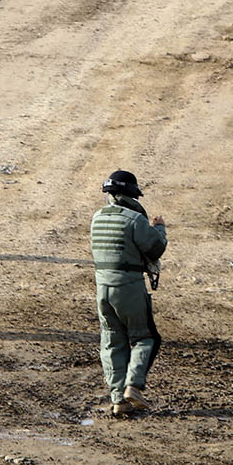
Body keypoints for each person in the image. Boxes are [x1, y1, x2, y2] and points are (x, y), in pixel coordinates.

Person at [90, 170, 167, 417]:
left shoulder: (96, 218)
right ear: (132, 194)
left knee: (112, 341)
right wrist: (160, 228)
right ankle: (133, 386)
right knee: (146, 337)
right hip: (129, 287)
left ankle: (117, 400)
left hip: (102, 287)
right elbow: (156, 248)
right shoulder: (134, 219)